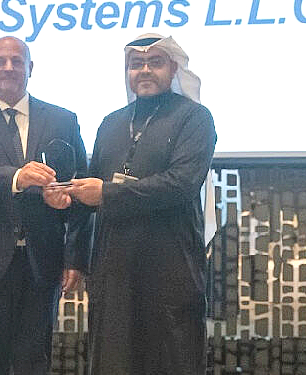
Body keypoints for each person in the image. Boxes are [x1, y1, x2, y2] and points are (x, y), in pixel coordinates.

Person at [66, 33, 216, 374]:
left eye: (155, 62)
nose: (144, 70)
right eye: (136, 64)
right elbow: (93, 190)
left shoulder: (195, 119)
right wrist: (66, 197)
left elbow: (181, 184)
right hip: (114, 272)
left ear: (173, 68)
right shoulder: (111, 123)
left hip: (170, 271)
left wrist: (106, 193)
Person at [0, 36, 91, 375]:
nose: (8, 67)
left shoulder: (63, 119)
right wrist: (16, 177)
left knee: (34, 363)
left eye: (16, 60)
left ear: (30, 68)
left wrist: (75, 256)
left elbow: (78, 191)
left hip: (41, 265)